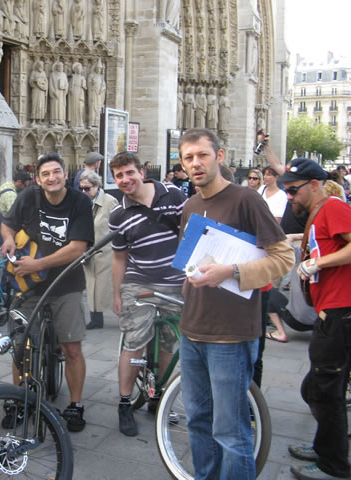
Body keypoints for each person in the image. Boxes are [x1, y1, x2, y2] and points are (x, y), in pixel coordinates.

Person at [177, 128, 293, 479]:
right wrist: (189, 278)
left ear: (220, 156)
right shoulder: (191, 206)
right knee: (198, 423)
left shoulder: (246, 199)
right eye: (188, 158)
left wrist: (232, 271)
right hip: (192, 330)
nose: (195, 164)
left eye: (202, 155)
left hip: (231, 336)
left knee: (231, 432)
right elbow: (193, 259)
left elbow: (283, 258)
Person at [0, 152, 94, 432]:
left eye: (56, 172)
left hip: (66, 283)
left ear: (65, 174)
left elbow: (78, 248)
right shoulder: (29, 197)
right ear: (38, 180)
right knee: (20, 345)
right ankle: (20, 401)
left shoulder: (79, 202)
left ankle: (75, 405)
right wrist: (7, 240)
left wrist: (37, 264)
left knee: (72, 348)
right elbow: (8, 223)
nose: (52, 178)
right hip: (28, 285)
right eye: (45, 174)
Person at [278, 158, 351, 480]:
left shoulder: (333, 207)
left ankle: (333, 464)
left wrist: (319, 264)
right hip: (329, 311)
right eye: (286, 191)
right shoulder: (318, 214)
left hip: (339, 311)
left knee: (324, 390)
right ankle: (326, 447)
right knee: (319, 387)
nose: (289, 197)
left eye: (293, 190)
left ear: (314, 185)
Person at [108, 152, 187, 437]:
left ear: (142, 171)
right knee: (135, 342)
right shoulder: (118, 215)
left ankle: (159, 398)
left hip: (175, 282)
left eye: (130, 172)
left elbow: (189, 236)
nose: (126, 180)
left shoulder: (174, 196)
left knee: (168, 343)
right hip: (139, 282)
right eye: (119, 176)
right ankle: (125, 402)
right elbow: (119, 258)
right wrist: (117, 294)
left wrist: (190, 275)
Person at [78, 170, 118, 329]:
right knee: (91, 286)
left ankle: (124, 315)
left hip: (106, 252)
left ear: (97, 186)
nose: (84, 192)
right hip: (89, 252)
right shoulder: (83, 202)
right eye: (81, 188)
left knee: (106, 287)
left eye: (87, 188)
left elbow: (118, 228)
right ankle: (96, 319)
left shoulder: (110, 201)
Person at [0, 171, 32, 245]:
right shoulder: (11, 195)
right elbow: (15, 215)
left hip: (1, 220)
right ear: (18, 182)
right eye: (25, 186)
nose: (25, 188)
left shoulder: (5, 185)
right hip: (7, 227)